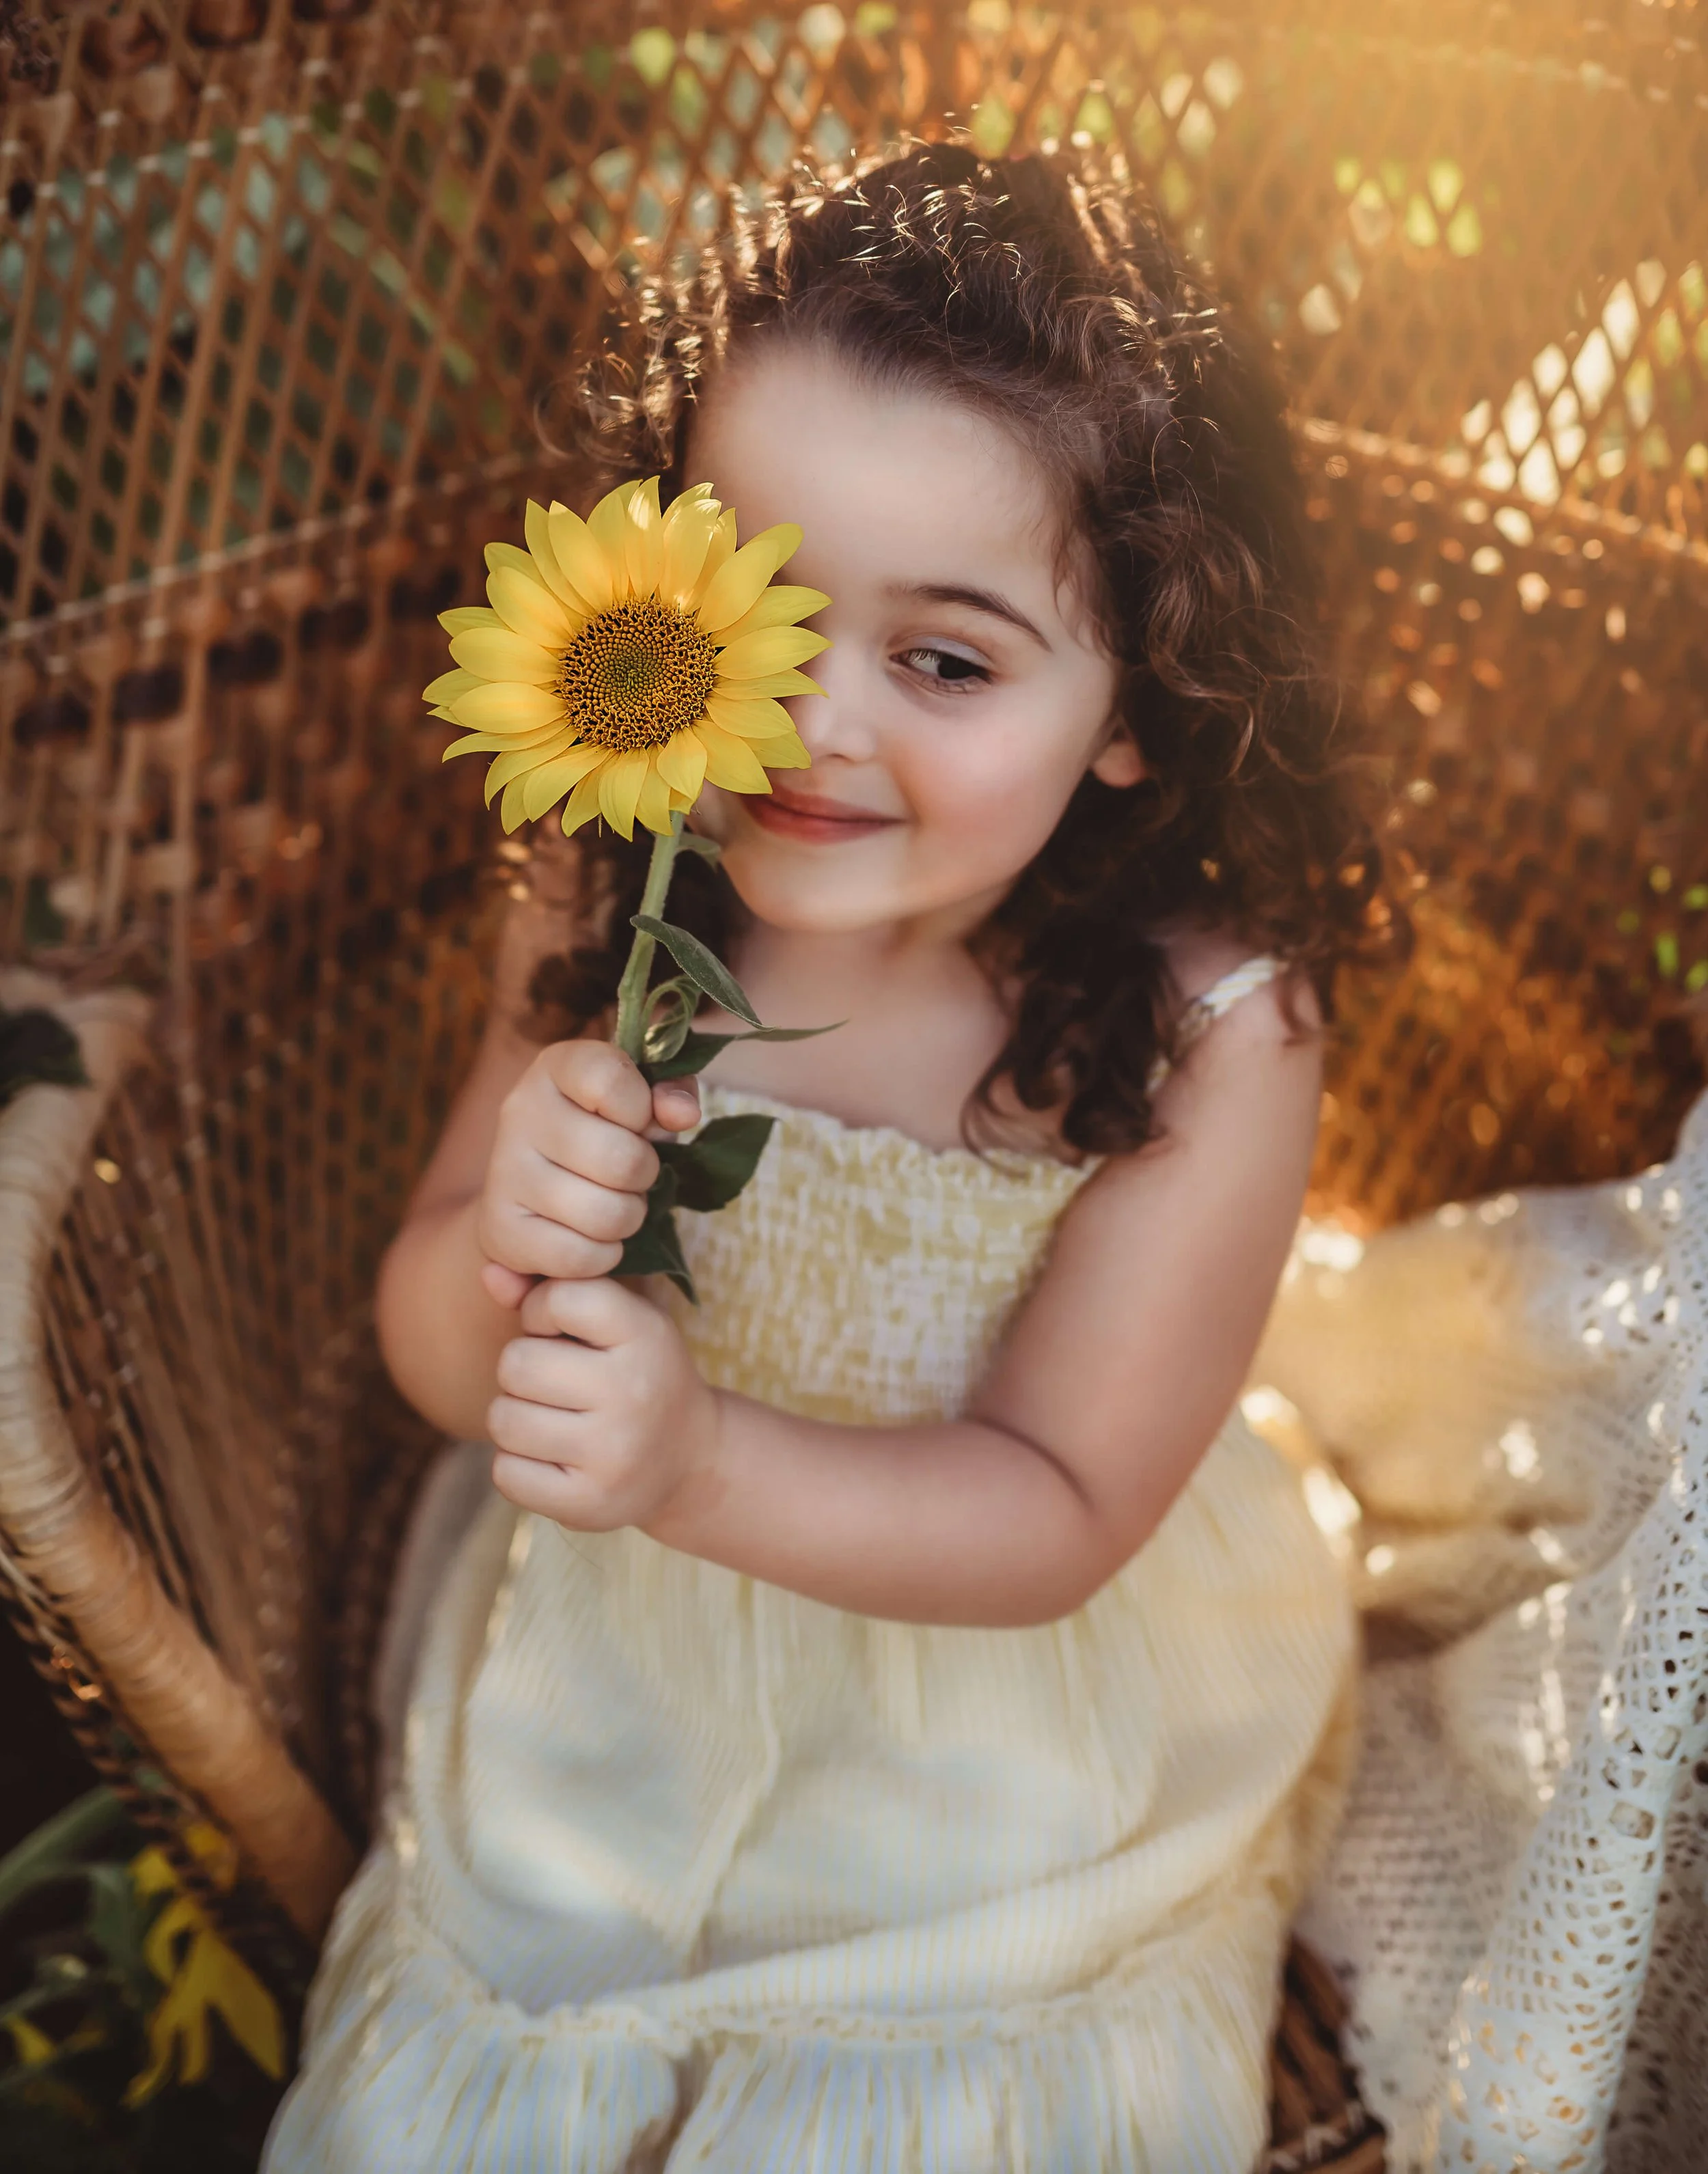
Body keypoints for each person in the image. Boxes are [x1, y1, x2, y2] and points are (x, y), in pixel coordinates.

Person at [263, 144, 1706, 2173]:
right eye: (747, 605)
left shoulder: (1218, 1020)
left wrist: (692, 1462)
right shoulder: (605, 895)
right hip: (631, 1679)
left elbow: (1058, 1506)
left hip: (1009, 1702)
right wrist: (503, 1251)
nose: (805, 721)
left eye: (940, 660)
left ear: (1136, 697)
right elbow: (438, 1346)